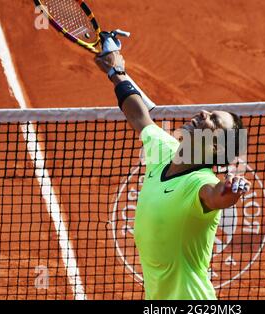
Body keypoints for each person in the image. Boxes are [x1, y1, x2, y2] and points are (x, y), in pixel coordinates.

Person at [95, 51, 251, 300]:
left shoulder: (200, 183)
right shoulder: (163, 150)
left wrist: (231, 191)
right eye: (209, 112)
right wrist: (117, 72)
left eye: (213, 120)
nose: (202, 113)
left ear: (215, 147)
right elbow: (138, 116)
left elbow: (216, 196)